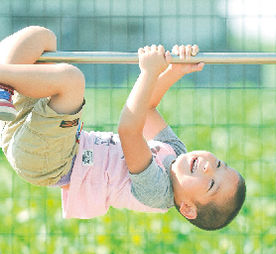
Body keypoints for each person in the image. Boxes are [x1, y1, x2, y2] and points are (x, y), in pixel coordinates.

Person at [0, 26, 246, 231]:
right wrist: (175, 71)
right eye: (219, 165)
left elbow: (129, 129)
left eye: (211, 184)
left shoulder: (158, 191)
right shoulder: (175, 152)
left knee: (71, 81)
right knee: (41, 39)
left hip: (49, 158)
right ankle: (3, 92)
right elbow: (148, 108)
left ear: (188, 209)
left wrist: (149, 72)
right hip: (40, 133)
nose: (208, 167)